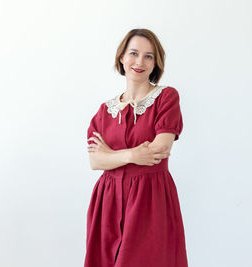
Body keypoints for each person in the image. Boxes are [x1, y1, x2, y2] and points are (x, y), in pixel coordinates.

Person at [84, 28, 188, 267]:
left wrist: (111, 155)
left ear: (155, 63)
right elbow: (95, 161)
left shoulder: (166, 97)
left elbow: (159, 150)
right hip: (108, 199)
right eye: (134, 53)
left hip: (149, 198)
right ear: (122, 57)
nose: (140, 61)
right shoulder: (104, 111)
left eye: (149, 56)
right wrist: (132, 154)